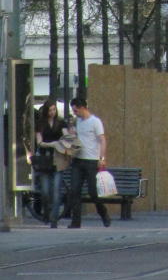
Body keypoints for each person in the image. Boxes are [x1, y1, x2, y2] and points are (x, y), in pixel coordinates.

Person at [67, 97, 111, 229]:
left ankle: (103, 213)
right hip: (78, 160)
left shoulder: (95, 122)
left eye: (76, 110)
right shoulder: (78, 122)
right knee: (75, 190)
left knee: (93, 192)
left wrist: (102, 158)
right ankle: (76, 222)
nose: (75, 113)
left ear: (82, 108)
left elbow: (102, 140)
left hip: (91, 161)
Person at [34, 99, 68, 227]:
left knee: (56, 190)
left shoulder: (61, 123)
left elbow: (65, 137)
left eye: (54, 109)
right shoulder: (40, 124)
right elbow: (39, 142)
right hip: (44, 158)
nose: (52, 112)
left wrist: (64, 142)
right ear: (46, 111)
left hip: (57, 157)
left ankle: (53, 219)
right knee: (45, 191)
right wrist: (53, 144)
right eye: (50, 110)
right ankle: (47, 213)